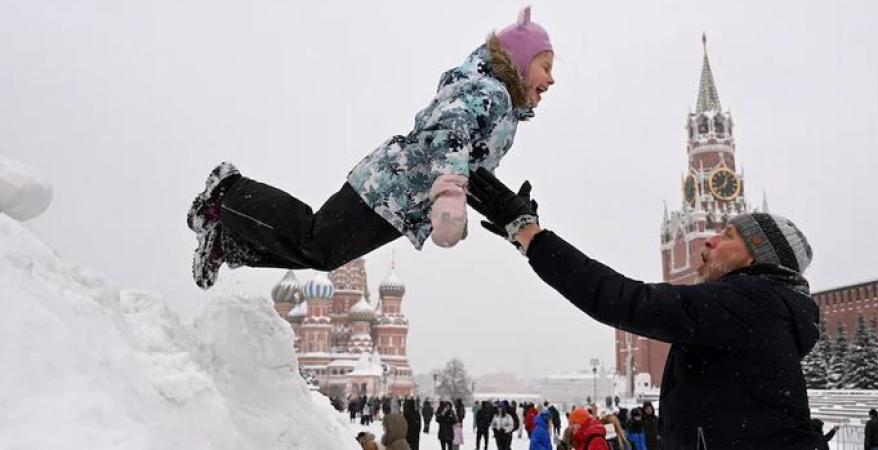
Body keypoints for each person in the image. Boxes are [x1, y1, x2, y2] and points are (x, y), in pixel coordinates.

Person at [185, 6, 556, 289]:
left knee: (324, 254)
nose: (552, 78)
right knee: (315, 240)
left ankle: (229, 241)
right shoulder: (487, 91)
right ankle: (228, 194)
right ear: (519, 62)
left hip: (405, 206)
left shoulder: (504, 111)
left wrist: (510, 210)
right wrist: (449, 193)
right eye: (545, 65)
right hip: (390, 186)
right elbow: (448, 131)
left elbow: (472, 165)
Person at [466, 168, 821, 449]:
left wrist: (532, 236)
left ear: (757, 256)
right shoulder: (759, 307)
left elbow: (625, 300)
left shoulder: (753, 303)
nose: (712, 239)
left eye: (728, 236)